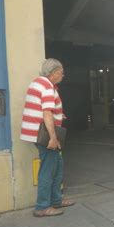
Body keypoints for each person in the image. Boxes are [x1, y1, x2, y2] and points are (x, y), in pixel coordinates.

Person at [20, 58, 74, 217]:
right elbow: (47, 112)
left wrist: (59, 114)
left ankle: (56, 199)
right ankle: (42, 206)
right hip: (44, 135)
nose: (63, 76)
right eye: (62, 73)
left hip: (35, 132)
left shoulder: (37, 83)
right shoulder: (47, 87)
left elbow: (44, 109)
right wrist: (53, 138)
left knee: (57, 165)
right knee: (48, 169)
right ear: (55, 72)